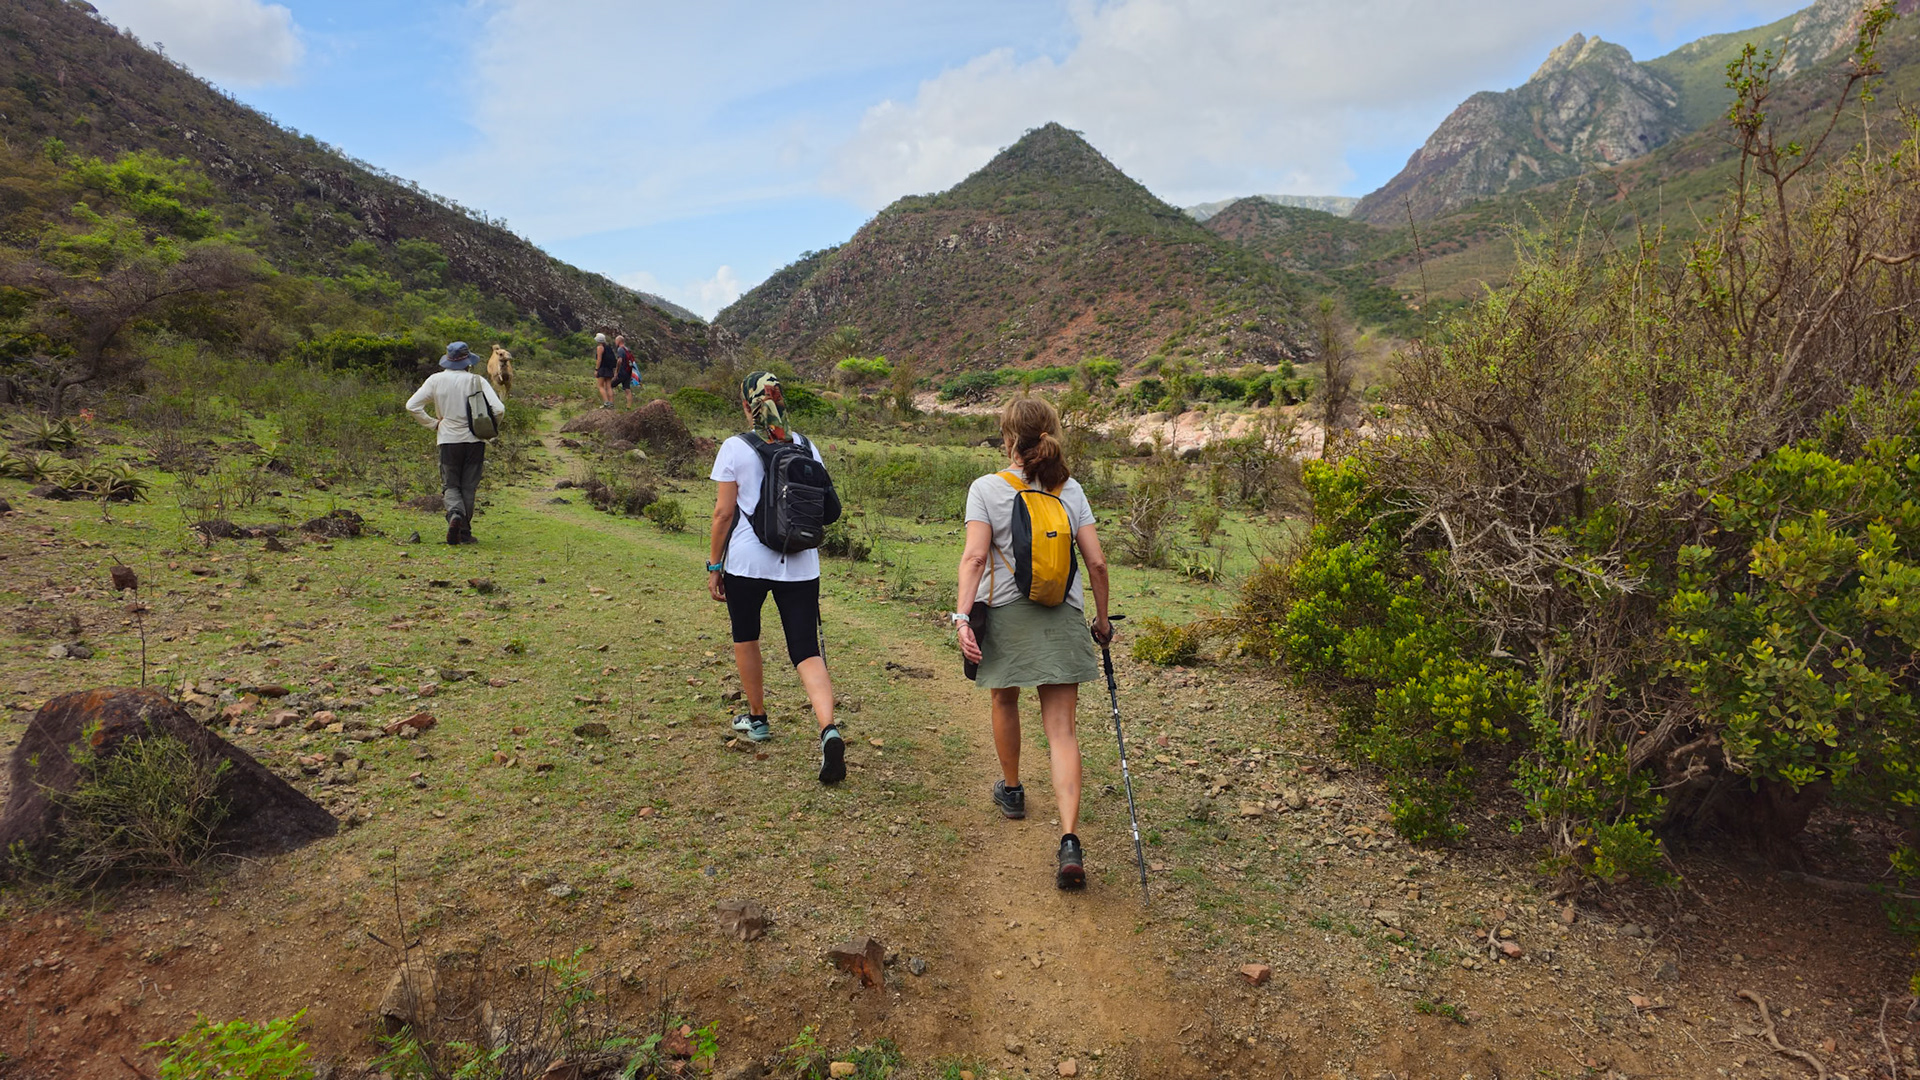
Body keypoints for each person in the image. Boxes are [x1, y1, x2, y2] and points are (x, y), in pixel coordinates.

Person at [955, 396, 1113, 889]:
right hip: (1063, 616)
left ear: (1007, 437)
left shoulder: (986, 488)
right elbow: (1098, 564)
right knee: (1062, 730)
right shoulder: (1072, 490)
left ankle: (1014, 790)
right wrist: (1102, 622)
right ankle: (1069, 839)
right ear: (1050, 432)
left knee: (1005, 699)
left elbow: (975, 557)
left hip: (1005, 615)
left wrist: (962, 617)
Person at [707, 371, 845, 784]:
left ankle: (758, 718)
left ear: (749, 404)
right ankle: (828, 728)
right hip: (801, 562)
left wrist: (715, 565)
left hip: (747, 562)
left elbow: (723, 514)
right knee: (806, 649)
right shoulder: (806, 445)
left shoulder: (735, 446)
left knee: (746, 636)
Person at [405, 341, 505, 546]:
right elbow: (499, 409)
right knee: (469, 487)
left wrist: (433, 424)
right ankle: (464, 533)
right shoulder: (477, 381)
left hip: (448, 440)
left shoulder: (435, 380)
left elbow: (412, 405)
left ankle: (455, 515)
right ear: (468, 362)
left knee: (450, 485)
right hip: (475, 441)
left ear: (448, 361)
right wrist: (487, 426)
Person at [613, 334, 640, 407]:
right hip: (628, 372)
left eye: (616, 341)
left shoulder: (620, 349)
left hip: (622, 372)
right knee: (627, 389)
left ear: (618, 341)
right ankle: (629, 406)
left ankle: (610, 404)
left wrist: (616, 372)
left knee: (610, 386)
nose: (615, 342)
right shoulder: (627, 349)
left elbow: (619, 361)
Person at [593, 332, 617, 408]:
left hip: (602, 369)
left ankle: (606, 403)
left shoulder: (600, 348)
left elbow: (599, 360)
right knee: (609, 386)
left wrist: (596, 369)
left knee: (600, 386)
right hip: (609, 369)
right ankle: (611, 403)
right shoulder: (608, 347)